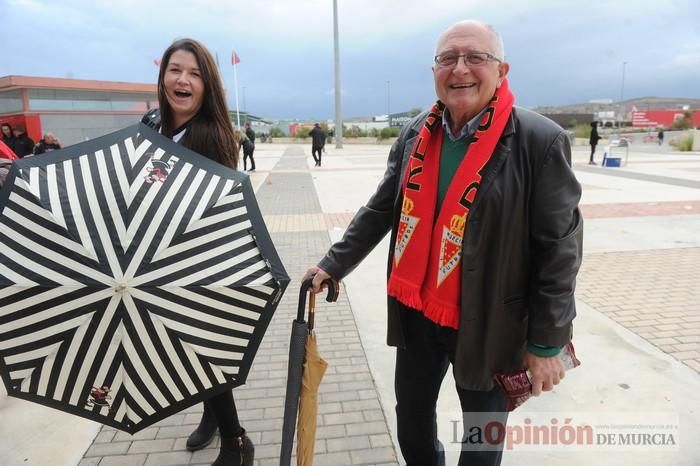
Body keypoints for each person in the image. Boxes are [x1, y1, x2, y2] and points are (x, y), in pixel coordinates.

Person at [304, 20, 582, 466]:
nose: (460, 69)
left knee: (480, 440)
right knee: (411, 421)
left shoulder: (539, 141)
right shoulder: (417, 132)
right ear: (434, 69)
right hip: (417, 313)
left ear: (502, 70)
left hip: (490, 321)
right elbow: (381, 209)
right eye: (448, 58)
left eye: (475, 57)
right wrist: (334, 264)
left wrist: (547, 342)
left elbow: (559, 251)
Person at [142, 38, 253, 466]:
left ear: (207, 85)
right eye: (175, 70)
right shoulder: (150, 126)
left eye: (194, 73)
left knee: (202, 350)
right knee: (184, 352)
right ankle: (210, 415)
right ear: (163, 76)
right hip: (156, 262)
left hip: (199, 264)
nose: (182, 80)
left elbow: (216, 209)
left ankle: (237, 440)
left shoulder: (215, 138)